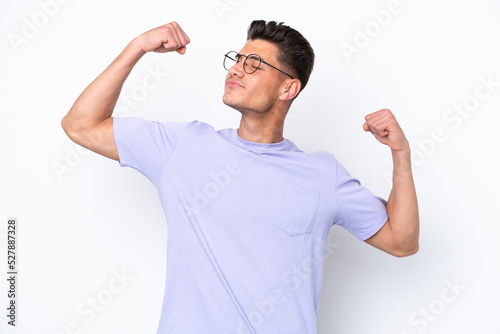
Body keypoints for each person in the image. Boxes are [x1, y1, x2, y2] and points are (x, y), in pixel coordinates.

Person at [61, 20, 419, 334]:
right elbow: (80, 125)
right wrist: (137, 47)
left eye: (254, 65)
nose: (235, 70)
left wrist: (400, 154)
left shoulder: (322, 173)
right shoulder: (181, 146)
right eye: (236, 60)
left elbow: (401, 242)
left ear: (287, 89)